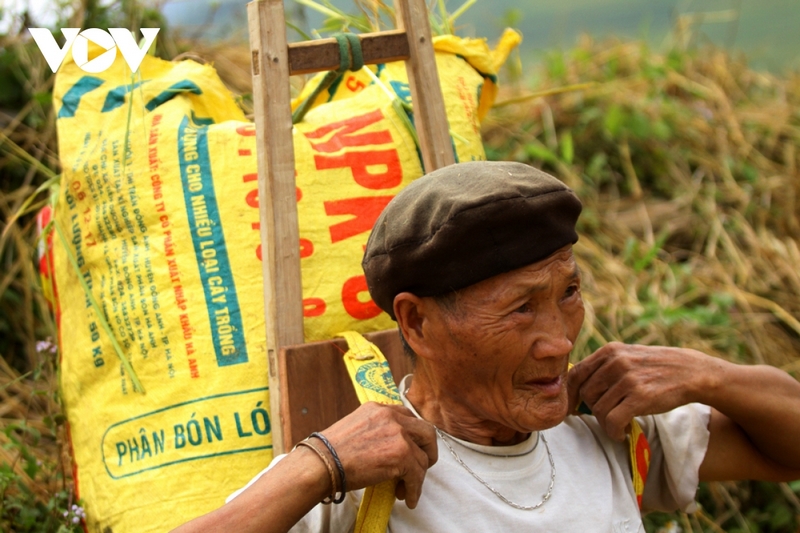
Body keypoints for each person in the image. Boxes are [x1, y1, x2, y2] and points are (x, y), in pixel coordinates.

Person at [174, 161, 800, 533]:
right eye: (520, 308)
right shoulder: (363, 480)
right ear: (416, 324)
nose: (558, 341)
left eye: (569, 292)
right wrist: (319, 467)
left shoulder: (609, 431)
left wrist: (710, 376)